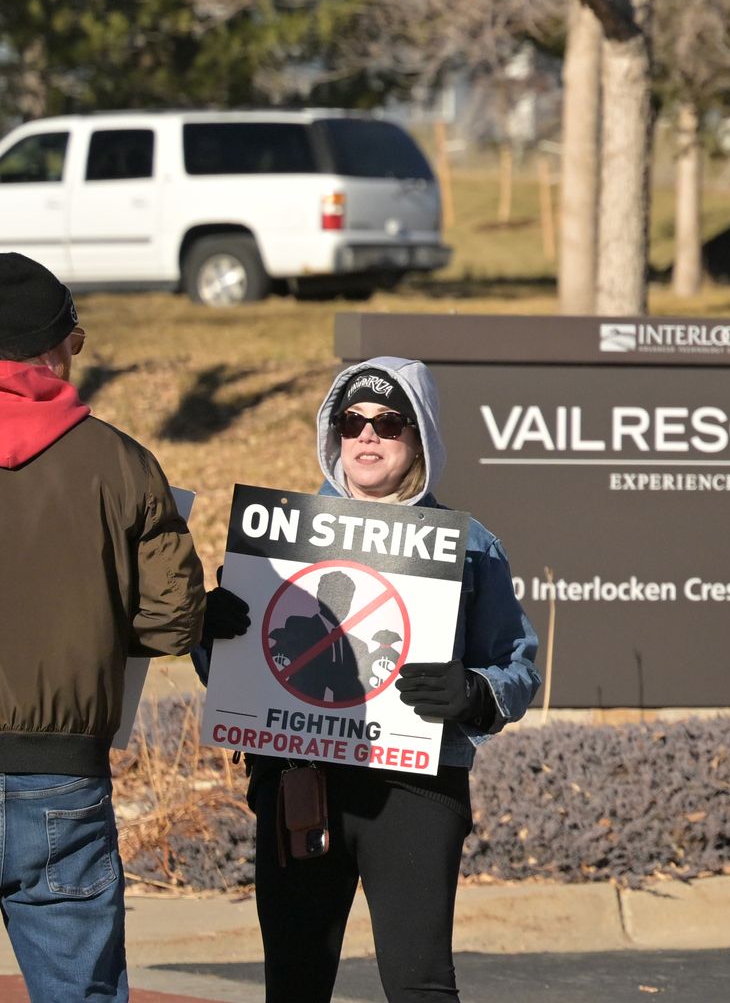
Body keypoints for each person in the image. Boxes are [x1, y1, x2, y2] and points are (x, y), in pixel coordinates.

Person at [197, 357, 541, 1002]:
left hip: (416, 792)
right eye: (353, 421)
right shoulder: (276, 539)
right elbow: (235, 679)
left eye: (389, 422)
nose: (368, 436)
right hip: (302, 783)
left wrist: (476, 693)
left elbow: (518, 667)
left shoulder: (472, 545)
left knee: (421, 987)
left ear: (421, 438)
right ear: (334, 433)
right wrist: (208, 634)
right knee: (294, 985)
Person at [0, 252, 206, 1001]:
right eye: (74, 343)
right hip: (60, 777)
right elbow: (176, 617)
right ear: (54, 348)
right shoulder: (121, 464)